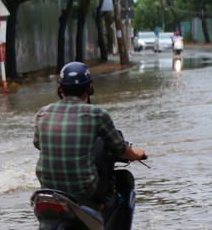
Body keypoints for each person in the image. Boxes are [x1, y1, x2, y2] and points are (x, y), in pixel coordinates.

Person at [33, 61, 146, 207]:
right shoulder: (97, 115)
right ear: (90, 88)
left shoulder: (43, 113)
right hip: (84, 191)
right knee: (116, 179)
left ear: (60, 88)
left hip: (47, 189)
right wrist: (137, 154)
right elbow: (120, 150)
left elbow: (38, 144)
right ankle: (103, 207)